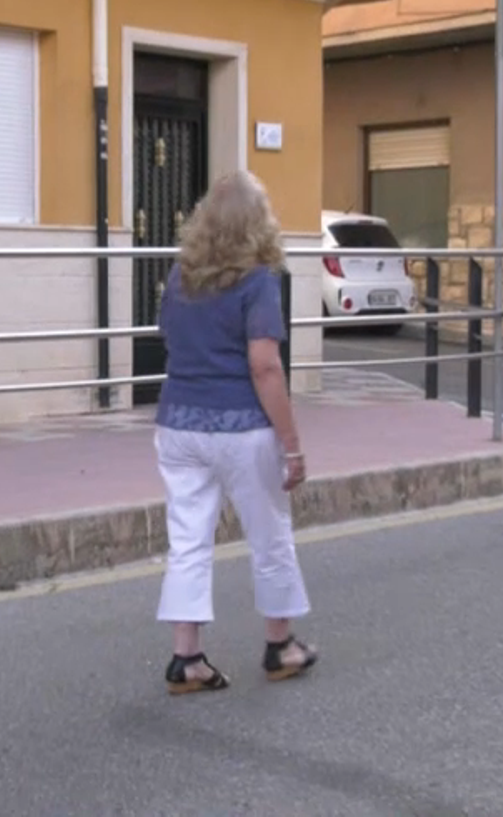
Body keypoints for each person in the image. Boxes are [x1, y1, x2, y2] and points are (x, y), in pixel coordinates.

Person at [153, 169, 318, 693]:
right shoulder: (258, 283)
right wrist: (292, 445)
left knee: (188, 542)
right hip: (241, 427)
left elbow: (170, 340)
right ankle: (280, 646)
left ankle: (188, 658)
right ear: (259, 225)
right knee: (269, 535)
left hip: (178, 424)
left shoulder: (179, 280)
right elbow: (265, 367)